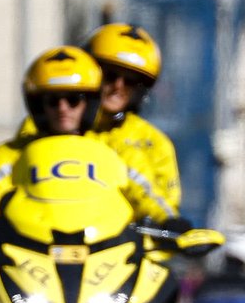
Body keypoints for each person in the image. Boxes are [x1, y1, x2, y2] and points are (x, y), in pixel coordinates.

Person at [0, 46, 174, 225]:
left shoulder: (116, 153)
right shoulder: (10, 155)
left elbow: (150, 197)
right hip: (28, 261)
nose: (63, 108)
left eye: (73, 99)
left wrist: (171, 223)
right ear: (38, 106)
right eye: (52, 100)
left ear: (89, 104)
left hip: (105, 260)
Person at [14, 23, 181, 217]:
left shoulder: (154, 142)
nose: (118, 87)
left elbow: (165, 208)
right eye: (109, 76)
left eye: (130, 81)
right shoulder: (50, 124)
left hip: (122, 243)